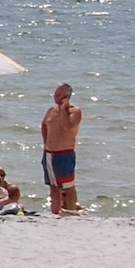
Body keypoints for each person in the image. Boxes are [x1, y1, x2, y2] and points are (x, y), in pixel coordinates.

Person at [41, 83, 83, 214]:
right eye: (55, 94)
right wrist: (46, 143)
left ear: (67, 97)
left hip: (64, 154)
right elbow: (44, 125)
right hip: (49, 153)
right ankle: (55, 211)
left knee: (68, 187)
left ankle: (71, 211)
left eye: (59, 95)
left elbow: (66, 126)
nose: (56, 97)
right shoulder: (51, 110)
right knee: (53, 186)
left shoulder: (74, 111)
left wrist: (64, 108)